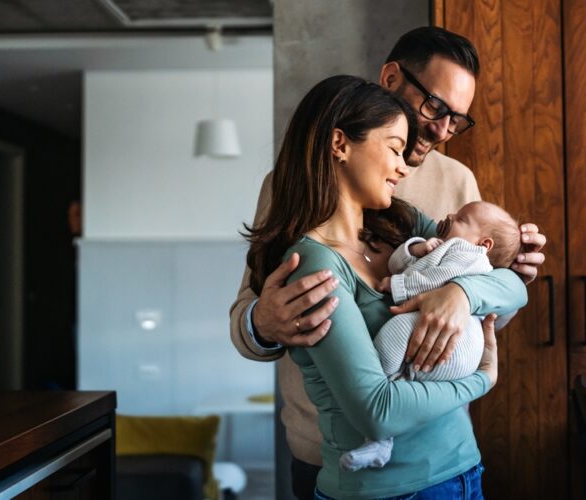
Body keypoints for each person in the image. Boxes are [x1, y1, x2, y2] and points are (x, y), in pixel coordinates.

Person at [230, 27, 547, 497]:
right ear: (392, 77)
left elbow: (482, 306)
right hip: (332, 455)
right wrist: (265, 322)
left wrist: (468, 291)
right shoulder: (292, 201)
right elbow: (248, 317)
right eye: (436, 108)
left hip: (447, 453)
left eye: (458, 120)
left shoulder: (448, 189)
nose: (443, 131)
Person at [340, 201, 522, 473]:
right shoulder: (444, 246)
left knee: (393, 334)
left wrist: (398, 285)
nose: (449, 215)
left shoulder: (468, 254)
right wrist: (417, 248)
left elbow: (437, 279)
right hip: (457, 352)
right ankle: (382, 440)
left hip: (456, 343)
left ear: (484, 244)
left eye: (461, 218)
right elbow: (399, 263)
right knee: (404, 377)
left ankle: (379, 433)